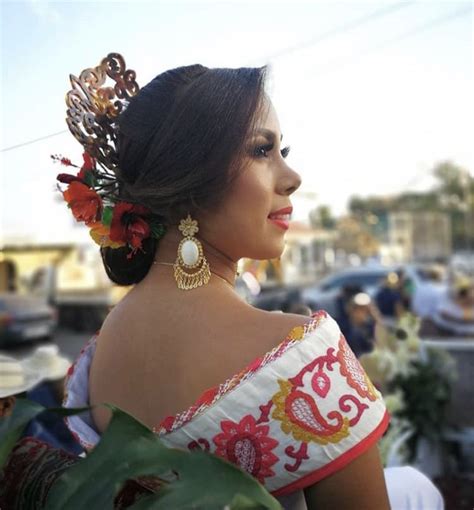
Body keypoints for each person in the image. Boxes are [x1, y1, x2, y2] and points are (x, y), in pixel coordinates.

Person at [60, 53, 441, 509]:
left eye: (283, 152)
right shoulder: (301, 355)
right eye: (262, 150)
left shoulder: (105, 344)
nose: (292, 177)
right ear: (189, 181)